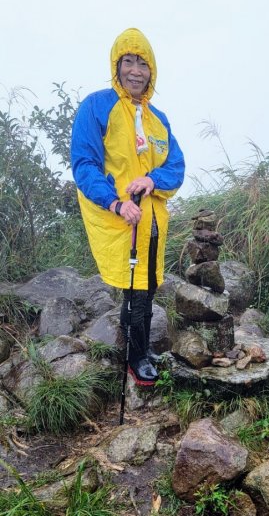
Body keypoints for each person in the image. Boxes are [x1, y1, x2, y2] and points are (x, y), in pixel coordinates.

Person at [71, 28, 185, 386]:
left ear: (152, 71)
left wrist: (152, 179)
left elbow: (176, 166)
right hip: (118, 214)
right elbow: (84, 164)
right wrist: (116, 203)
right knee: (134, 286)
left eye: (143, 63)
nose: (136, 71)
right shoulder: (97, 105)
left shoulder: (158, 120)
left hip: (152, 218)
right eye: (128, 62)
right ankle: (137, 357)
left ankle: (138, 348)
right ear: (116, 65)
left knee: (146, 285)